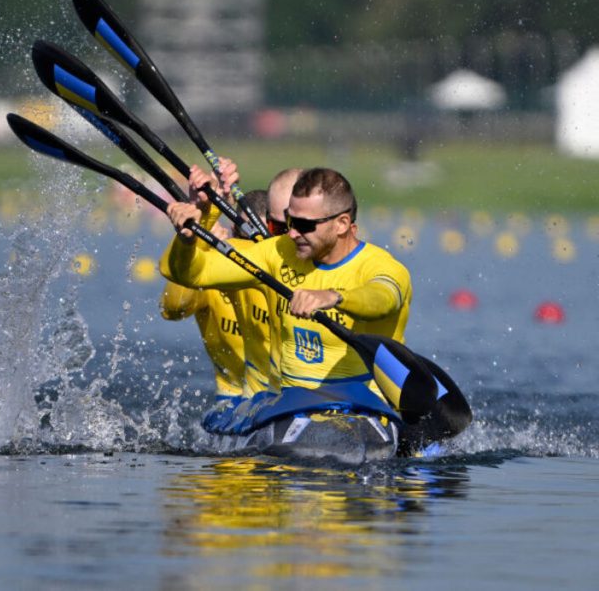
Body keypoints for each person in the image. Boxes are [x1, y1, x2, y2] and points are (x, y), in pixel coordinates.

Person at [161, 166, 470, 451]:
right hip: (292, 407)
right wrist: (188, 238)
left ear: (342, 223)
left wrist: (333, 296)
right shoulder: (277, 254)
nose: (292, 232)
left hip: (367, 408)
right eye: (290, 221)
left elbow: (382, 298)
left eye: (305, 225)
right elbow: (189, 273)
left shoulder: (381, 267)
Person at [158, 166, 272, 433]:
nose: (252, 247)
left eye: (264, 237)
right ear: (233, 231)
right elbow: (173, 309)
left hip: (284, 395)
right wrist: (199, 235)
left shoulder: (290, 266)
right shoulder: (210, 264)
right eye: (245, 237)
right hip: (233, 399)